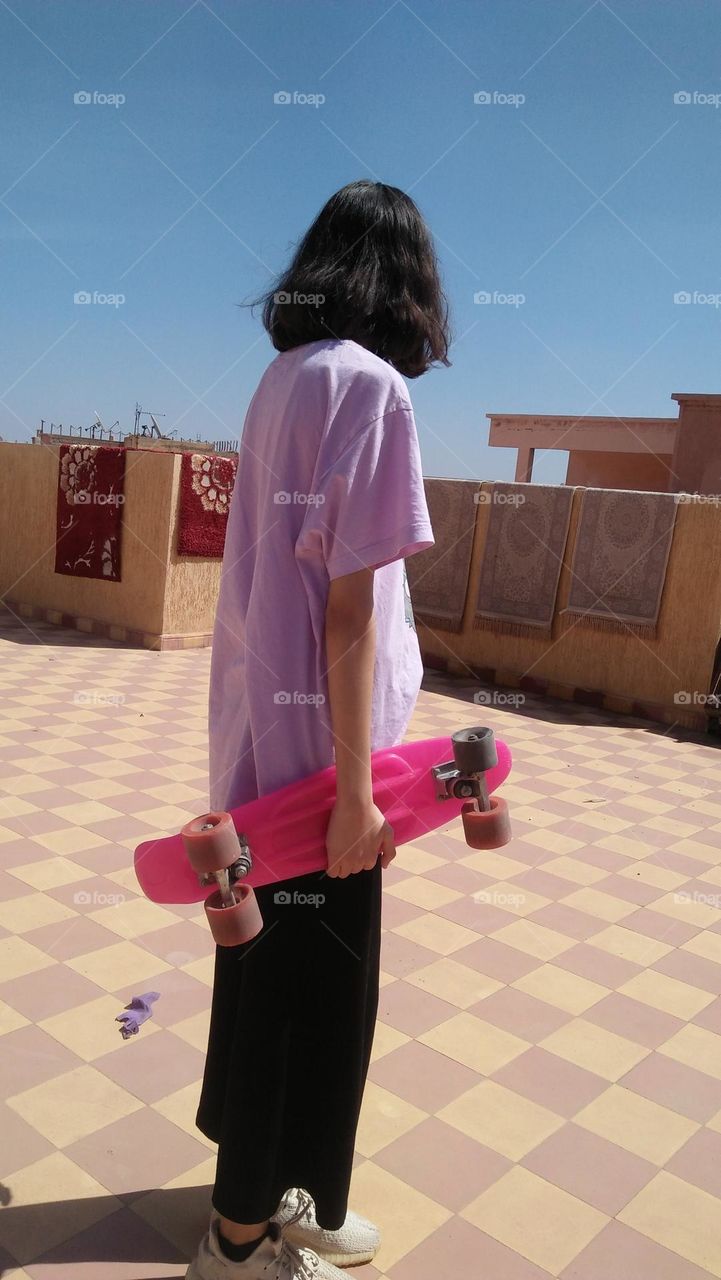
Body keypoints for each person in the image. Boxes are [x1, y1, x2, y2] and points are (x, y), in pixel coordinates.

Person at [186, 178, 450, 1280]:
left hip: (260, 750)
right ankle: (240, 1238)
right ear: (406, 282)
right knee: (316, 1007)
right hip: (322, 779)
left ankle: (282, 1196)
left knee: (267, 983)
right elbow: (349, 607)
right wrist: (353, 792)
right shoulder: (374, 390)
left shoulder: (282, 378)